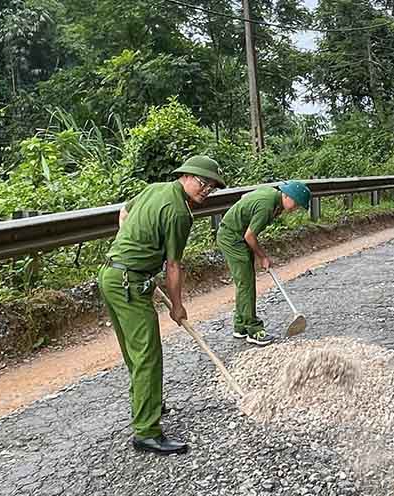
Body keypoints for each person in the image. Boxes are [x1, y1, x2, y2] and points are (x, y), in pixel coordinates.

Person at [99, 155, 226, 455]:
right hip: (129, 282)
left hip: (111, 274)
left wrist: (132, 248)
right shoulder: (180, 213)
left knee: (135, 352)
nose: (206, 190)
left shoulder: (155, 188)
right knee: (148, 355)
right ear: (187, 176)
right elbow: (173, 265)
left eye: (212, 187)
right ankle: (146, 432)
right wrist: (177, 307)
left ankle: (148, 401)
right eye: (203, 182)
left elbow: (124, 212)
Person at [217, 181, 312, 346]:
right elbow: (250, 236)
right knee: (246, 283)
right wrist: (262, 257)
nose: (295, 208)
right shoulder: (267, 206)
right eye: (296, 204)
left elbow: (245, 199)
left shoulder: (272, 197)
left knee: (244, 281)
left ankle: (240, 326)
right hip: (232, 238)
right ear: (287, 196)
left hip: (236, 236)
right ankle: (254, 331)